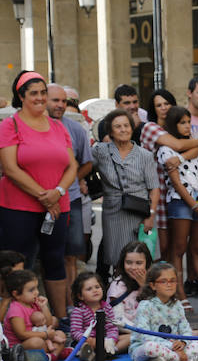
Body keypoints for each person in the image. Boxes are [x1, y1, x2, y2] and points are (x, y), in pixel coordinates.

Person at [0, 71, 78, 321]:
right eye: (33, 93)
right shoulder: (9, 125)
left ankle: (61, 319)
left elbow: (72, 166)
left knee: (55, 260)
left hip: (57, 206)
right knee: (17, 265)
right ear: (21, 96)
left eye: (43, 92)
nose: (40, 98)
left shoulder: (58, 127)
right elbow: (10, 168)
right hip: (18, 207)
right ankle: (14, 323)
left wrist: (58, 192)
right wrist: (44, 197)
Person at [157, 106, 198, 310]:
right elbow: (176, 182)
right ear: (173, 124)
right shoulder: (166, 149)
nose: (187, 126)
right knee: (179, 248)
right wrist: (194, 205)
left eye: (189, 122)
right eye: (182, 122)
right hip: (180, 202)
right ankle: (180, 295)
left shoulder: (193, 144)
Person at [91, 109, 159, 276]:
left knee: (141, 260)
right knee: (118, 259)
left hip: (140, 212)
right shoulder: (101, 151)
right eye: (118, 126)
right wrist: (81, 182)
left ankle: (139, 291)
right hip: (113, 211)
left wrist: (151, 216)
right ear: (110, 131)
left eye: (126, 125)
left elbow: (154, 188)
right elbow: (84, 165)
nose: (123, 130)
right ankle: (119, 290)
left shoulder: (145, 155)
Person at [46, 84, 93, 311]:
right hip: (38, 201)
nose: (60, 105)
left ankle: (73, 308)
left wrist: (70, 182)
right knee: (45, 255)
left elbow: (87, 163)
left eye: (64, 101)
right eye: (55, 100)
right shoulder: (29, 127)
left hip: (70, 199)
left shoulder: (75, 129)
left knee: (71, 255)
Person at [141, 89, 198, 259]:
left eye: (166, 103)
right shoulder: (150, 127)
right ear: (153, 109)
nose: (163, 108)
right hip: (156, 190)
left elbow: (197, 150)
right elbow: (179, 145)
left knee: (177, 245)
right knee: (162, 245)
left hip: (177, 191)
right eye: (158, 105)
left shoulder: (178, 127)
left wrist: (181, 157)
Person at [129, 262, 198, 361]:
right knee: (150, 347)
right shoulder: (145, 306)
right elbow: (145, 336)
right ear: (153, 285)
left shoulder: (177, 305)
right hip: (145, 348)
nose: (169, 284)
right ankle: (189, 359)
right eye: (163, 281)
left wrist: (183, 342)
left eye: (172, 281)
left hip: (173, 347)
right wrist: (171, 346)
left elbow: (186, 330)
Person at [2, 269, 68, 361]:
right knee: (36, 343)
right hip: (20, 346)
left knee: (60, 334)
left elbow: (48, 323)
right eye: (31, 290)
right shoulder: (16, 310)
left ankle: (53, 356)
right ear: (16, 294)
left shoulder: (34, 303)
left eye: (36, 288)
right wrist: (45, 334)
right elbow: (22, 334)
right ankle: (56, 352)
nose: (36, 292)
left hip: (41, 337)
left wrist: (44, 307)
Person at [70, 271, 127, 361]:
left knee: (129, 338)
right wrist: (89, 339)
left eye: (97, 287)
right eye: (89, 289)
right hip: (88, 340)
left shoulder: (107, 307)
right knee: (84, 345)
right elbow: (75, 331)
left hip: (105, 339)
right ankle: (89, 353)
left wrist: (111, 339)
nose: (95, 290)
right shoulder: (79, 311)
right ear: (80, 296)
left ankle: (109, 351)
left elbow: (112, 327)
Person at [107, 241, 152, 335]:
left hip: (151, 330)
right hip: (127, 332)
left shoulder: (155, 283)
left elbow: (160, 310)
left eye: (139, 263)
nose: (133, 267)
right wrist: (142, 332)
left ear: (147, 264)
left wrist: (145, 286)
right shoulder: (117, 286)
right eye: (129, 262)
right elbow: (118, 319)